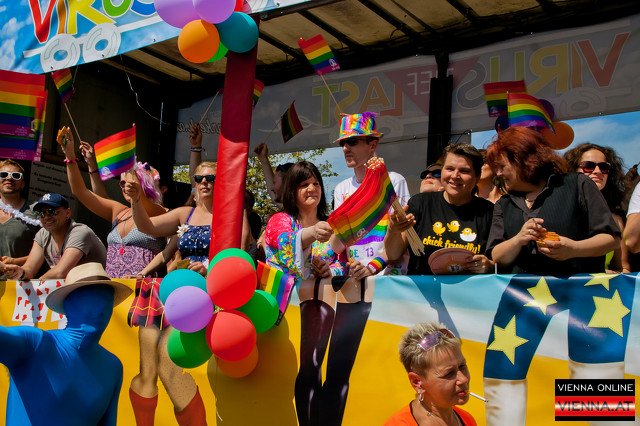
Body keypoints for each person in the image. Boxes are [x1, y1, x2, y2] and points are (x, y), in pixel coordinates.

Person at [482, 127, 622, 425]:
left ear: (523, 160)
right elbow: (497, 255)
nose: (498, 173)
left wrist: (573, 249)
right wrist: (519, 238)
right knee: (504, 371)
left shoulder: (577, 184)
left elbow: (611, 238)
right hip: (521, 306)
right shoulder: (504, 204)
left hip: (586, 305)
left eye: (502, 166)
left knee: (593, 376)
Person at [264, 161, 354, 426]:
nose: (312, 188)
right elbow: (285, 249)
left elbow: (342, 263)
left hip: (321, 310)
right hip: (283, 313)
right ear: (292, 190)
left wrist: (329, 269)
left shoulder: (332, 225)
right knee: (288, 371)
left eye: (315, 183)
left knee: (313, 367)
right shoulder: (280, 220)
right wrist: (311, 233)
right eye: (304, 184)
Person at [0, 262, 132, 426]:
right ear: (68, 304)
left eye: (106, 299)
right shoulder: (35, 343)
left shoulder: (113, 366)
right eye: (89, 297)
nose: (100, 308)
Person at [385, 143, 494, 274]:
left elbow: (499, 260)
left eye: (464, 171)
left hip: (470, 286)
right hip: (423, 286)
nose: (455, 176)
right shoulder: (420, 203)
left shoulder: (489, 211)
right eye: (449, 169)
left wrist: (490, 265)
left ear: (477, 177)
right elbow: (393, 255)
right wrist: (393, 230)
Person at [333, 112, 411, 276]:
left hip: (388, 278)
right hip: (356, 278)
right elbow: (338, 245)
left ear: (373, 145)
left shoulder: (393, 181)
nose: (345, 148)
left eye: (352, 141)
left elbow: (403, 237)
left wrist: (372, 267)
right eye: (342, 143)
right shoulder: (341, 189)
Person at [127, 161, 217, 276]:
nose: (204, 181)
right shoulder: (185, 214)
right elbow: (146, 227)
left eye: (210, 178)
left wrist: (208, 272)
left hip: (214, 282)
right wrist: (135, 198)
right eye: (199, 178)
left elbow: (234, 257)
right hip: (183, 281)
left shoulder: (228, 217)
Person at [385, 322, 477, 426]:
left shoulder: (467, 419)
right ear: (417, 382)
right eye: (449, 373)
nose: (464, 379)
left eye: (462, 366)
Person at [2, 193, 106, 280]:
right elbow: (30, 269)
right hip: (70, 290)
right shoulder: (42, 234)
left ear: (68, 213)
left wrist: (38, 284)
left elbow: (60, 272)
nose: (46, 217)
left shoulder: (80, 232)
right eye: (42, 213)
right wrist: (20, 272)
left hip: (94, 291)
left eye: (52, 212)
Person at [563, 143, 629, 272]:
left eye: (604, 167)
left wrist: (606, 274)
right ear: (572, 170)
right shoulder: (560, 212)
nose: (597, 171)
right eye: (588, 166)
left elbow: (623, 269)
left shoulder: (616, 220)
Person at [0, 159, 40, 273]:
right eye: (3, 174)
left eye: (16, 176)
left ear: (22, 184)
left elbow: (48, 251)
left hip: (22, 281)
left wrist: (15, 262)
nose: (9, 178)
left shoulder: (36, 211)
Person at [254, 142, 294, 207]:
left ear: (287, 183)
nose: (272, 188)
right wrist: (263, 158)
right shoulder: (291, 209)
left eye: (274, 183)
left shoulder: (304, 210)